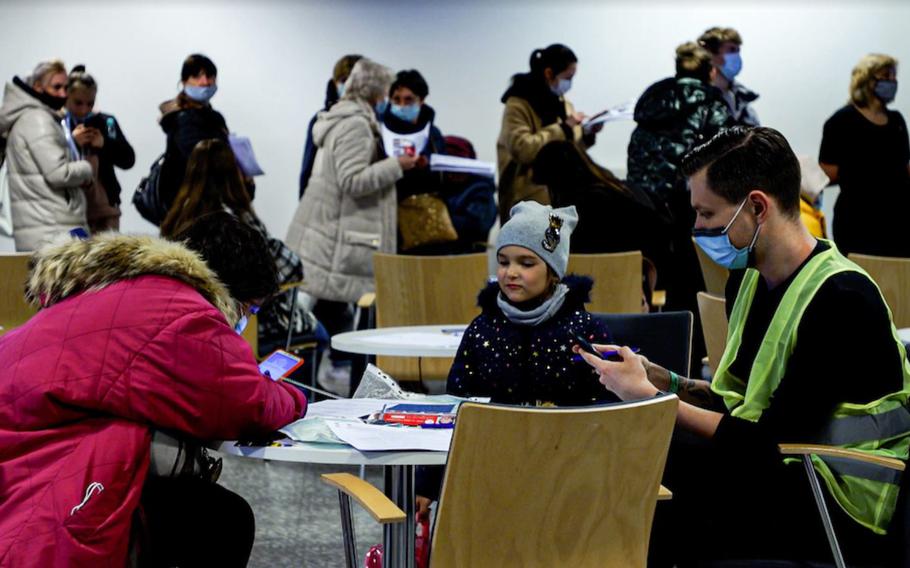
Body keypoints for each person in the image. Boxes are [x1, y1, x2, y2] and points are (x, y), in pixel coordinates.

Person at [576, 126, 910, 565]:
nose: (696, 227)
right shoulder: (748, 282)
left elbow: (767, 441)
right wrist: (668, 381)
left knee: (651, 462)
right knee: (635, 453)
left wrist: (655, 400)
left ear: (756, 206)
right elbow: (745, 407)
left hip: (838, 499)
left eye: (707, 214)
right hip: (785, 467)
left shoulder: (841, 300)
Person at [0, 212, 308, 567]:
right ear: (227, 291)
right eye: (249, 310)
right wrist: (295, 398)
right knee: (223, 521)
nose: (244, 321)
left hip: (26, 448)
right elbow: (247, 404)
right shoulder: (184, 314)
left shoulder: (119, 286)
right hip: (43, 485)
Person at [416, 201, 614, 517]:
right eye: (503, 261)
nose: (511, 273)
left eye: (526, 263)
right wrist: (428, 484)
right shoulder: (483, 328)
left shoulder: (584, 330)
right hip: (490, 473)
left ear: (553, 271)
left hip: (566, 474)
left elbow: (607, 411)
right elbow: (454, 407)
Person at [285, 58, 418, 394]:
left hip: (330, 233)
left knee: (310, 320)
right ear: (376, 90)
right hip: (337, 240)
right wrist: (396, 166)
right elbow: (352, 179)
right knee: (336, 325)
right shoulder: (356, 125)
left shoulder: (344, 119)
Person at [160, 138, 313, 357]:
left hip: (185, 331)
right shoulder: (237, 225)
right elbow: (290, 268)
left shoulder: (175, 218)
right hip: (245, 328)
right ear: (234, 175)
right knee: (320, 331)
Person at [496, 44, 602, 223]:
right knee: (535, 249)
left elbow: (568, 148)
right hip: (528, 200)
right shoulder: (518, 104)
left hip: (562, 198)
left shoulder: (563, 102)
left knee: (559, 247)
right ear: (548, 73)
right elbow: (523, 149)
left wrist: (586, 133)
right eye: (568, 77)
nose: (570, 83)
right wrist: (564, 128)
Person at [819, 53, 910, 257]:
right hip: (857, 222)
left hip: (899, 223)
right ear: (867, 80)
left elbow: (905, 166)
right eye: (886, 76)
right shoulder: (840, 122)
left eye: (894, 77)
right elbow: (827, 173)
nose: (893, 82)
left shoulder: (896, 121)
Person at [0, 59, 93, 251]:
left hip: (43, 225)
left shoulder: (29, 116)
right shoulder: (38, 119)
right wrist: (86, 168)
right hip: (53, 227)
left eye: (65, 87)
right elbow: (58, 173)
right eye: (56, 87)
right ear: (37, 86)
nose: (62, 93)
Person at [63, 65, 135, 233]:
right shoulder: (57, 123)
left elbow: (128, 160)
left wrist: (105, 144)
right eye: (78, 103)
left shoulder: (105, 122)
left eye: (90, 103)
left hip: (105, 208)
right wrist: (70, 142)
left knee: (109, 258)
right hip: (71, 209)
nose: (84, 110)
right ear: (66, 97)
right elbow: (49, 163)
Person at [158, 54, 232, 213]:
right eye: (196, 76)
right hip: (185, 204)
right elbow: (199, 156)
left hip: (210, 202)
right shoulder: (181, 118)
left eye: (210, 76)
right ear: (184, 81)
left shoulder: (214, 117)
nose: (205, 82)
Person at [299, 54, 362, 199]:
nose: (350, 86)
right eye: (344, 80)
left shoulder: (378, 120)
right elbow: (308, 170)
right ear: (335, 84)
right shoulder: (321, 120)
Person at [698, 26, 760, 127]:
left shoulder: (742, 101)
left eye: (738, 50)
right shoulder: (692, 97)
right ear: (710, 53)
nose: (736, 55)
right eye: (731, 49)